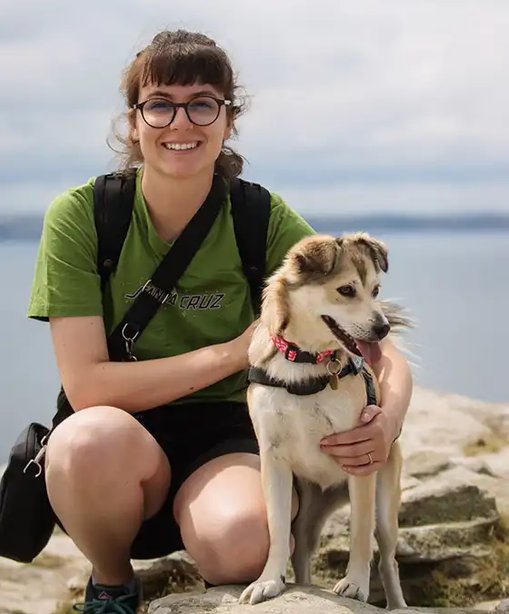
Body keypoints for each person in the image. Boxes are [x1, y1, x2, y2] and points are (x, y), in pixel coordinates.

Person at [27, 29, 412, 613]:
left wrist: (385, 427)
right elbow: (87, 386)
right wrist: (238, 352)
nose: (181, 123)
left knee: (239, 546)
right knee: (83, 442)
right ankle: (113, 584)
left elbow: (378, 345)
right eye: (159, 105)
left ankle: (212, 549)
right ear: (134, 122)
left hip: (229, 435)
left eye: (202, 104)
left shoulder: (259, 216)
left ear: (227, 121)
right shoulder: (85, 216)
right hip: (118, 433)